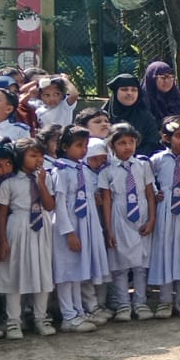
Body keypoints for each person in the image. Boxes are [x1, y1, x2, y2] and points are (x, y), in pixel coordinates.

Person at [0, 137, 56, 338]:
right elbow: (2, 214)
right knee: (14, 271)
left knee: (42, 271)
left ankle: (40, 317)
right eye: (33, 155)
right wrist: (2, 241)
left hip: (41, 226)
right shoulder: (10, 183)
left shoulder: (45, 178)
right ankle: (13, 320)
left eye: (41, 155)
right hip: (18, 227)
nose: (39, 159)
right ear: (20, 158)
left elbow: (50, 205)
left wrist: (41, 183)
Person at [98, 123, 158, 323]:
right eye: (122, 143)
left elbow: (150, 194)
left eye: (131, 142)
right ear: (112, 145)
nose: (127, 147)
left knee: (141, 264)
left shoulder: (142, 166)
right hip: (119, 216)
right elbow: (107, 200)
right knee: (120, 264)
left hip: (141, 214)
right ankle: (123, 304)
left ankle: (140, 303)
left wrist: (152, 219)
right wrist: (109, 230)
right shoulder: (107, 170)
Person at [55, 130, 110, 330]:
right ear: (65, 147)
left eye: (85, 146)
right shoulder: (60, 171)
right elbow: (59, 204)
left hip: (85, 223)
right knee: (65, 271)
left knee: (78, 269)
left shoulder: (83, 169)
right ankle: (68, 316)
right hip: (69, 224)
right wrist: (69, 232)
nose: (83, 150)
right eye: (78, 146)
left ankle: (79, 311)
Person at [147, 117, 180, 318]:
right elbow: (147, 181)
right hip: (166, 211)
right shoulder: (157, 160)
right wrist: (156, 192)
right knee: (166, 252)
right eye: (178, 136)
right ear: (166, 137)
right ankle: (165, 300)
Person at [102, 73, 162, 155]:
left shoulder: (146, 117)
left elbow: (152, 143)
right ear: (116, 92)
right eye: (124, 89)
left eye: (134, 90)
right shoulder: (102, 117)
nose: (129, 93)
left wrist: (132, 158)